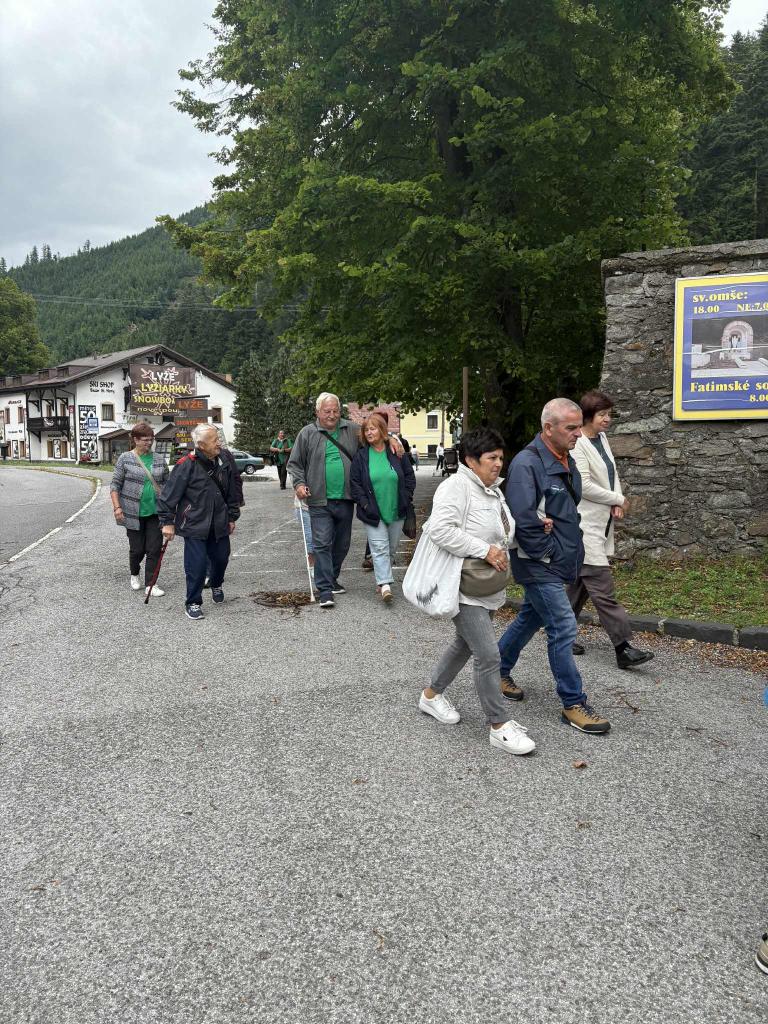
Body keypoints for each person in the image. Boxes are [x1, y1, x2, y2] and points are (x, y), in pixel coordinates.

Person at [418, 428, 535, 756]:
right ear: (471, 460)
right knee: (488, 654)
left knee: (464, 644)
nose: (498, 463)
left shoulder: (492, 490)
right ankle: (498, 725)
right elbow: (440, 529)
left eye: (501, 457)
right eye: (491, 458)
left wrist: (531, 529)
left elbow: (501, 533)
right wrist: (484, 550)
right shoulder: (456, 487)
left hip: (486, 585)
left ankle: (430, 696)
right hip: (462, 585)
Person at [497, 398, 611, 735]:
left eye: (578, 427)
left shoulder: (565, 457)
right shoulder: (527, 464)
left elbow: (563, 510)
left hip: (554, 559)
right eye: (571, 428)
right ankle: (573, 702)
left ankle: (495, 670)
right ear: (549, 428)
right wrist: (548, 552)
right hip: (537, 562)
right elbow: (523, 519)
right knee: (563, 625)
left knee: (530, 617)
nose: (578, 433)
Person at [287, 393, 401, 609]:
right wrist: (299, 484)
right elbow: (294, 464)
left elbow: (374, 434)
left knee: (342, 543)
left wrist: (392, 440)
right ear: (317, 412)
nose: (332, 415)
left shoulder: (351, 429)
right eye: (327, 411)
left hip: (346, 498)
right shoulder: (307, 433)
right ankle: (324, 590)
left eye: (335, 411)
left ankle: (331, 577)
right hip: (318, 498)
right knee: (322, 543)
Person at [566, 390, 654, 669]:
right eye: (602, 414)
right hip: (584, 526)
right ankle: (623, 647)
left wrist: (616, 500)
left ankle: (560, 633)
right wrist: (616, 498)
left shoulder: (601, 439)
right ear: (588, 416)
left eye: (609, 414)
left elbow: (611, 473)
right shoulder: (578, 444)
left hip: (601, 523)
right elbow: (583, 485)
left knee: (578, 586)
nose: (607, 419)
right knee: (602, 589)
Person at [157, 423, 240, 620]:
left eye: (218, 439)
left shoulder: (224, 460)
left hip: (219, 522)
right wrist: (167, 522)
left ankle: (216, 583)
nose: (219, 443)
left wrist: (232, 516)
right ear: (201, 445)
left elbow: (231, 491)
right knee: (197, 565)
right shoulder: (186, 464)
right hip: (194, 524)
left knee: (221, 559)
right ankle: (193, 602)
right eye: (214, 440)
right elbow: (168, 496)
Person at [350, 412, 415, 602]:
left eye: (373, 429)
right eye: (366, 430)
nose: (369, 433)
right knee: (379, 547)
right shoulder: (361, 456)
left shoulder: (396, 452)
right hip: (372, 511)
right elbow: (355, 483)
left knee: (391, 548)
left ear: (382, 430)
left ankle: (383, 578)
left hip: (396, 508)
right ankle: (385, 584)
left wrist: (406, 496)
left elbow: (409, 477)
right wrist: (364, 503)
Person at [110, 422, 170, 597]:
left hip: (155, 512)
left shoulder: (159, 459)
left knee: (154, 548)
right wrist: (117, 507)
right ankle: (134, 573)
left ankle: (151, 584)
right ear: (135, 440)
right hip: (132, 512)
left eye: (151, 439)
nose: (149, 443)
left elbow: (168, 484)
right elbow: (115, 485)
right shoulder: (125, 458)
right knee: (137, 549)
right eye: (145, 440)